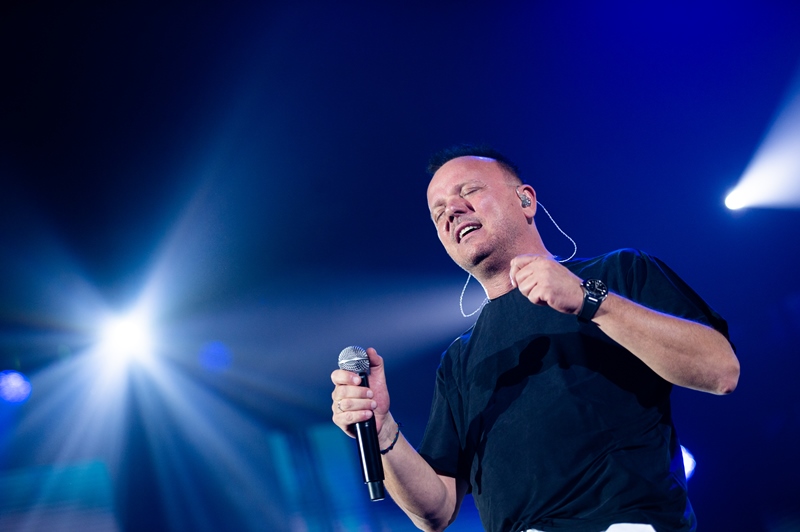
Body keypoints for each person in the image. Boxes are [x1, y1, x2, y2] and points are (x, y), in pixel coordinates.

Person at [330, 145, 739, 532]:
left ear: (526, 200)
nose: (451, 210)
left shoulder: (618, 273)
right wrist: (382, 430)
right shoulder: (459, 361)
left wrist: (588, 300)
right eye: (438, 213)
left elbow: (720, 370)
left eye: (468, 191)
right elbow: (435, 511)